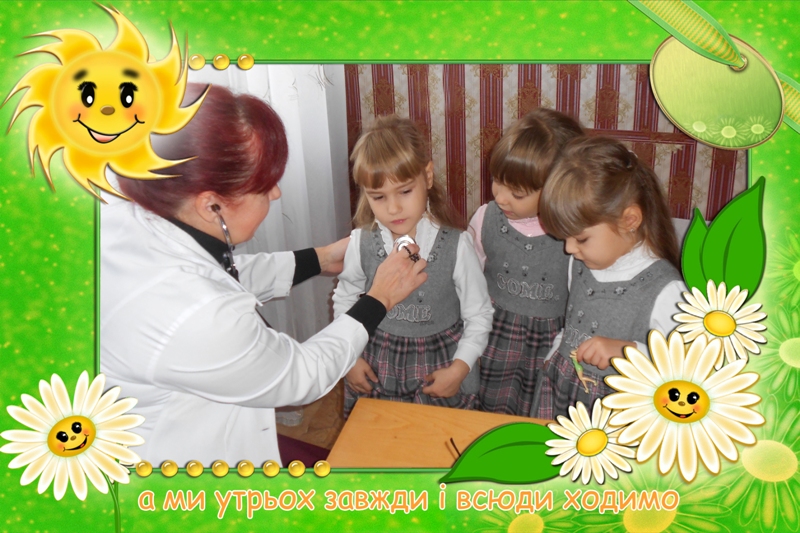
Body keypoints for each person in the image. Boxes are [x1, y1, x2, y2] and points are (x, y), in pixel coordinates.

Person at [100, 85, 428, 468]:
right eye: (263, 186)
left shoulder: (148, 204)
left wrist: (320, 258)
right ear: (211, 205)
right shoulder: (193, 314)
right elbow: (301, 376)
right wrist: (379, 298)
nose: (275, 194)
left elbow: (216, 275)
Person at [333, 115, 494, 416]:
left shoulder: (457, 246)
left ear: (427, 177)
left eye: (405, 191)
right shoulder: (360, 242)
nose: (393, 208)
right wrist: (350, 358)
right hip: (378, 370)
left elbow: (479, 315)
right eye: (378, 197)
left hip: (440, 370)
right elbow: (345, 301)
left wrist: (459, 369)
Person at [530, 136, 686, 420]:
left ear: (629, 221)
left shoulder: (665, 289)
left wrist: (628, 351)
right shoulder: (581, 261)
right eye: (565, 238)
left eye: (580, 238)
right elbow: (573, 322)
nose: (568, 249)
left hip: (617, 411)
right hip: (562, 389)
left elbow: (686, 370)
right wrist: (553, 356)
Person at [468, 109, 583, 416]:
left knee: (540, 415)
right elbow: (468, 280)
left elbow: (583, 299)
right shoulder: (485, 218)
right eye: (497, 181)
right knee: (490, 411)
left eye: (517, 193)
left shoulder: (575, 235)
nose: (501, 198)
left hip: (550, 343)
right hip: (494, 338)